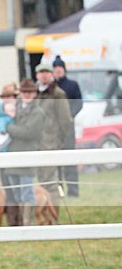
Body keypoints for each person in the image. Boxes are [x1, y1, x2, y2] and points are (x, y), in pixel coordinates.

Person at [5, 80, 46, 226]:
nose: (27, 95)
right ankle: (22, 221)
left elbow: (29, 132)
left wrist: (8, 128)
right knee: (16, 192)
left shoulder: (38, 113)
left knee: (27, 192)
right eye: (24, 92)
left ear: (34, 94)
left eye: (30, 92)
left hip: (27, 155)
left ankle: (28, 222)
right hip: (12, 155)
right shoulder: (14, 108)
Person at [34, 61, 73, 215]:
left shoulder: (58, 94)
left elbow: (65, 121)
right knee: (41, 181)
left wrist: (59, 141)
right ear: (37, 75)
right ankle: (44, 214)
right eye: (41, 72)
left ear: (51, 75)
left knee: (52, 182)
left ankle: (54, 214)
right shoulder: (33, 93)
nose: (44, 75)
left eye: (47, 72)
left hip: (51, 143)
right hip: (36, 145)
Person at [52, 56, 83, 197]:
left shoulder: (72, 85)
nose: (58, 71)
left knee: (70, 160)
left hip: (68, 128)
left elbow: (78, 103)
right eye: (56, 68)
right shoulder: (51, 87)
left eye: (60, 68)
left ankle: (73, 191)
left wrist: (69, 116)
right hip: (53, 130)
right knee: (55, 162)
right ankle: (58, 190)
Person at [0, 83, 20, 224]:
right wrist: (5, 107)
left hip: (17, 152)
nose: (7, 99)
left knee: (19, 189)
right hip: (4, 154)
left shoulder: (20, 109)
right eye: (5, 97)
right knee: (8, 188)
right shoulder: (0, 109)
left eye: (10, 96)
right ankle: (11, 220)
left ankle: (22, 219)